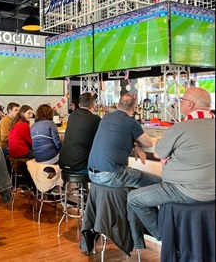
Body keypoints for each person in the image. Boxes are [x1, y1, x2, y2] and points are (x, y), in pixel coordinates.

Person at [128, 87, 215, 240]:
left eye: (182, 100)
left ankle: (166, 238)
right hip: (212, 190)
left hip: (185, 191)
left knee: (134, 198)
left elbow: (157, 153)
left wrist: (171, 154)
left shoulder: (180, 128)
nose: (180, 103)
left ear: (190, 104)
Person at [88, 93, 161, 188]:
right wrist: (138, 144)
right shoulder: (131, 122)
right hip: (111, 175)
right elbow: (149, 143)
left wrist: (136, 145)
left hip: (91, 173)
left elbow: (119, 136)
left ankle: (129, 200)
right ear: (134, 109)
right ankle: (134, 202)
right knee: (158, 181)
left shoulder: (106, 117)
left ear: (118, 105)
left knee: (133, 176)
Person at [59, 92, 101, 174]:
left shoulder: (72, 116)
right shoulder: (95, 119)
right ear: (93, 105)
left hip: (63, 164)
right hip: (80, 167)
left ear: (79, 104)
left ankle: (81, 187)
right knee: (103, 171)